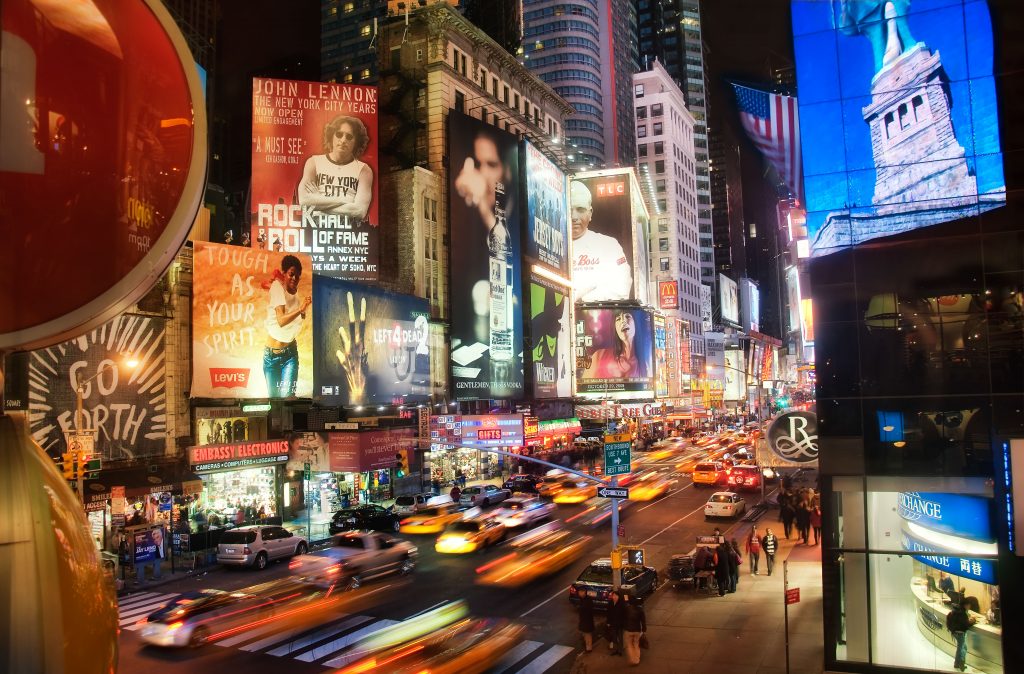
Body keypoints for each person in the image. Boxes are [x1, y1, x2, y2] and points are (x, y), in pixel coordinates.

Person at [299, 115, 374, 223]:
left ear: (356, 142)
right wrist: (346, 200)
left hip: (348, 233)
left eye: (349, 137)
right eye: (339, 134)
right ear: (331, 136)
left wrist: (319, 200)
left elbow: (359, 211)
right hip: (316, 230)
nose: (343, 140)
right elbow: (304, 202)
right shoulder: (314, 162)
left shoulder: (364, 170)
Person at [570, 181, 632, 302]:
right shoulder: (547, 247)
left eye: (580, 209)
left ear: (590, 213)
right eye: (569, 209)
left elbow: (621, 287)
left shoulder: (609, 245)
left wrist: (583, 299)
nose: (574, 217)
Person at [262, 254, 311, 398]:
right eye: (291, 274)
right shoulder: (277, 287)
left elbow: (297, 318)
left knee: (289, 398)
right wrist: (301, 310)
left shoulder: (296, 294)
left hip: (290, 354)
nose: (294, 278)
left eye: (297, 276)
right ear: (284, 273)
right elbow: (281, 320)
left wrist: (303, 312)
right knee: (275, 402)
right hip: (272, 356)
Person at [582, 311, 650, 381]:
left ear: (636, 323)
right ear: (615, 328)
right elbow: (582, 387)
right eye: (618, 319)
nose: (623, 321)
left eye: (627, 316)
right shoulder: (599, 355)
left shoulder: (645, 364)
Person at [946, 597, 975, 671]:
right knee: (962, 648)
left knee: (962, 647)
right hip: (960, 633)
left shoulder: (956, 610)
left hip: (955, 632)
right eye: (969, 605)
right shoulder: (962, 613)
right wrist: (972, 622)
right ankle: (961, 663)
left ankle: (957, 663)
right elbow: (965, 625)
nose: (969, 607)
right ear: (965, 605)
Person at [621, 595, 647, 666]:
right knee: (636, 644)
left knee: (629, 645)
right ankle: (637, 659)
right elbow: (643, 621)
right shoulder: (640, 610)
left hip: (628, 630)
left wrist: (626, 600)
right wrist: (644, 629)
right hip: (637, 630)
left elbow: (624, 607)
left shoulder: (627, 608)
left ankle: (633, 659)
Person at [605, 590, 625, 655]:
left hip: (620, 624)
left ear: (619, 596)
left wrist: (623, 623)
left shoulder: (622, 604)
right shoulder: (610, 603)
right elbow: (608, 613)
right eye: (613, 596)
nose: (615, 597)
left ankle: (620, 650)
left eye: (616, 596)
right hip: (613, 624)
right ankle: (615, 650)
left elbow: (624, 615)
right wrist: (608, 622)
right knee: (614, 637)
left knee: (620, 637)